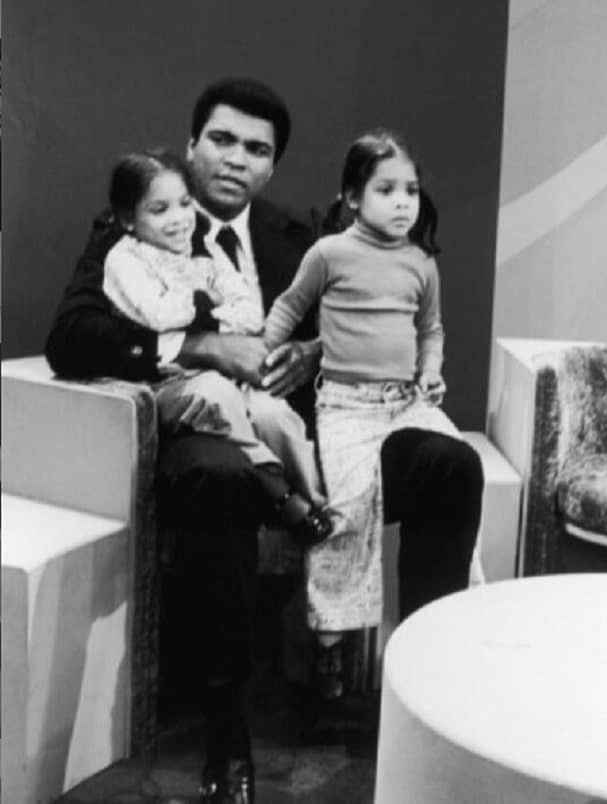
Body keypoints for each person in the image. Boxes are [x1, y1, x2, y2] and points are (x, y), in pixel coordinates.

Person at [45, 79, 483, 804]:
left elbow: (351, 317)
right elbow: (72, 336)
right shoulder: (135, 226)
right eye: (221, 140)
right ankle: (227, 734)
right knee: (222, 478)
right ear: (191, 146)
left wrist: (312, 352)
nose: (235, 158)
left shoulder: (301, 237)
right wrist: (204, 346)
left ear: (272, 165)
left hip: (319, 426)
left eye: (256, 149)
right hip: (204, 430)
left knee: (449, 463)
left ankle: (422, 703)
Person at [264, 128, 483, 699]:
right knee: (347, 505)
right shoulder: (329, 253)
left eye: (411, 190)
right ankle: (331, 639)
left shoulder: (421, 262)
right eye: (386, 190)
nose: (403, 202)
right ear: (352, 197)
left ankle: (438, 641)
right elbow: (289, 306)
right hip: (345, 407)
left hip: (405, 403)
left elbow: (431, 329)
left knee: (462, 467)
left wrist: (431, 369)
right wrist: (257, 355)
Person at [103, 148, 330, 547]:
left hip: (222, 372)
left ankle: (317, 503)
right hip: (167, 382)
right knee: (218, 397)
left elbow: (250, 313)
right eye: (159, 210)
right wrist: (207, 302)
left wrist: (204, 313)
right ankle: (278, 493)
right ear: (128, 219)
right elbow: (158, 314)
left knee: (274, 413)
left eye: (185, 203)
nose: (179, 219)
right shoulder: (124, 260)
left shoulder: (203, 247)